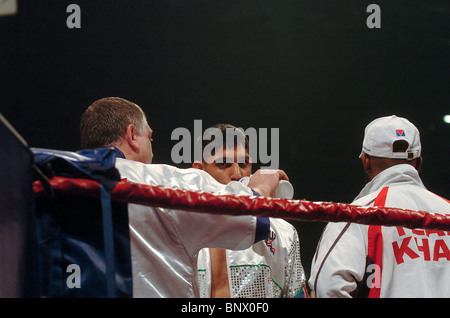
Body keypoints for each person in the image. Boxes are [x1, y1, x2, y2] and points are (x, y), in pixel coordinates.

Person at [80, 97, 288, 297]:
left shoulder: (55, 178)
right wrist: (260, 189)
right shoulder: (163, 182)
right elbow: (253, 219)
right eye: (150, 138)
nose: (236, 173)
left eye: (244, 164)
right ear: (132, 135)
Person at [308, 115, 450, 298]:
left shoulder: (357, 215)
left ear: (365, 161)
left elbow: (327, 288)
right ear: (419, 163)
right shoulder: (447, 211)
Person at [193, 124, 308, 298]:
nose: (237, 174)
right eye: (223, 164)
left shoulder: (282, 233)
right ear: (199, 171)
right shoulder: (178, 229)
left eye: (243, 163)